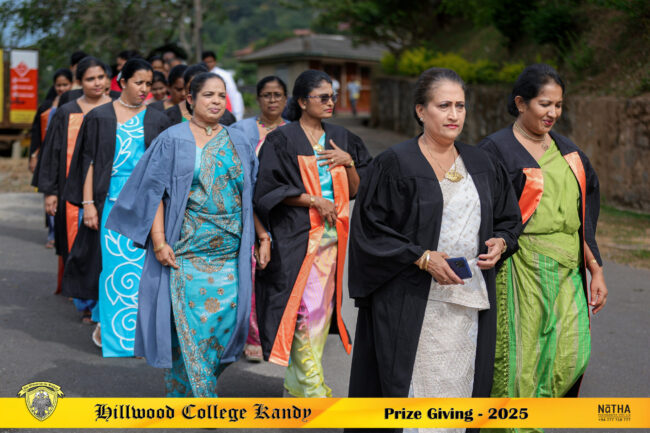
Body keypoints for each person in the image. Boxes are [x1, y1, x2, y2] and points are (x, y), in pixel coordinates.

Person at [345, 68, 521, 422]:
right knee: (413, 394)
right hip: (412, 303)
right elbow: (370, 229)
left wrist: (502, 242)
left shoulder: (482, 163)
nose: (454, 114)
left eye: (460, 105)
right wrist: (422, 257)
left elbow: (509, 219)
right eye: (444, 105)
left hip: (468, 303)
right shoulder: (395, 163)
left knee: (461, 392)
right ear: (421, 111)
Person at [105, 72, 260, 396]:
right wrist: (159, 242)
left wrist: (264, 237)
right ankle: (201, 397)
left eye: (221, 95)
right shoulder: (172, 139)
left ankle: (188, 390)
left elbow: (251, 196)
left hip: (230, 253)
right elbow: (153, 194)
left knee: (229, 325)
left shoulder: (239, 141)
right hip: (187, 251)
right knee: (189, 325)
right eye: (208, 95)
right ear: (190, 99)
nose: (216, 101)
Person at [477, 64, 608, 408]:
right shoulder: (496, 150)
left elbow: (583, 217)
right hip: (519, 269)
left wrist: (595, 270)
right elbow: (479, 211)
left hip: (567, 271)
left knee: (572, 355)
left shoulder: (570, 154)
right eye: (544, 104)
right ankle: (516, 426)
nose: (553, 113)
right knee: (519, 362)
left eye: (558, 105)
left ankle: (535, 414)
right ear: (521, 103)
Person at [254, 70, 372, 397]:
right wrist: (313, 200)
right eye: (323, 97)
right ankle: (314, 390)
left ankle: (296, 385)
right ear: (303, 102)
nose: (330, 102)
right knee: (304, 312)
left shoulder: (343, 138)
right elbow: (267, 190)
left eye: (332, 96)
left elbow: (359, 190)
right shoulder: (282, 139)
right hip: (297, 238)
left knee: (320, 314)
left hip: (335, 242)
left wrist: (349, 162)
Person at [62, 58, 171, 355]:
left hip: (147, 206)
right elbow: (88, 163)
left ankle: (138, 337)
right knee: (113, 270)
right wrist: (88, 204)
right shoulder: (99, 117)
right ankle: (116, 339)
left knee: (141, 272)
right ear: (122, 82)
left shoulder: (157, 119)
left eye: (149, 84)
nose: (144, 89)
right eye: (139, 82)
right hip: (110, 203)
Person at [36, 58, 113, 321]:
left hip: (110, 190)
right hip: (74, 192)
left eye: (101, 77)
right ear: (79, 82)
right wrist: (50, 191)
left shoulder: (118, 108)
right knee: (81, 247)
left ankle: (106, 302)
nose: (97, 83)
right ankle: (87, 302)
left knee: (106, 249)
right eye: (90, 79)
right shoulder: (67, 111)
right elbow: (52, 152)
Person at [231, 75, 290, 361]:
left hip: (285, 210)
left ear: (286, 99)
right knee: (252, 271)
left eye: (278, 95)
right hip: (248, 209)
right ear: (258, 98)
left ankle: (281, 333)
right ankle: (252, 336)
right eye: (267, 95)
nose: (272, 100)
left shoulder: (295, 131)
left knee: (283, 272)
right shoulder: (240, 130)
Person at [30, 68, 73, 251]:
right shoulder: (46, 107)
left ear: (72, 84)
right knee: (50, 195)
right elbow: (36, 133)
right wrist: (33, 156)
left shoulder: (76, 104)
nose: (61, 88)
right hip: (48, 156)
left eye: (65, 84)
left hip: (68, 158)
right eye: (58, 85)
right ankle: (52, 233)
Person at [166, 64, 236, 126]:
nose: (197, 93)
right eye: (192, 88)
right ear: (185, 88)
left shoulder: (226, 118)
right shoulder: (168, 117)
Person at [202, 50, 244, 121]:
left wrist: (237, 115)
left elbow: (233, 94)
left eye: (210, 61)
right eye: (206, 62)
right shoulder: (201, 75)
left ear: (215, 62)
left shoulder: (224, 75)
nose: (208, 64)